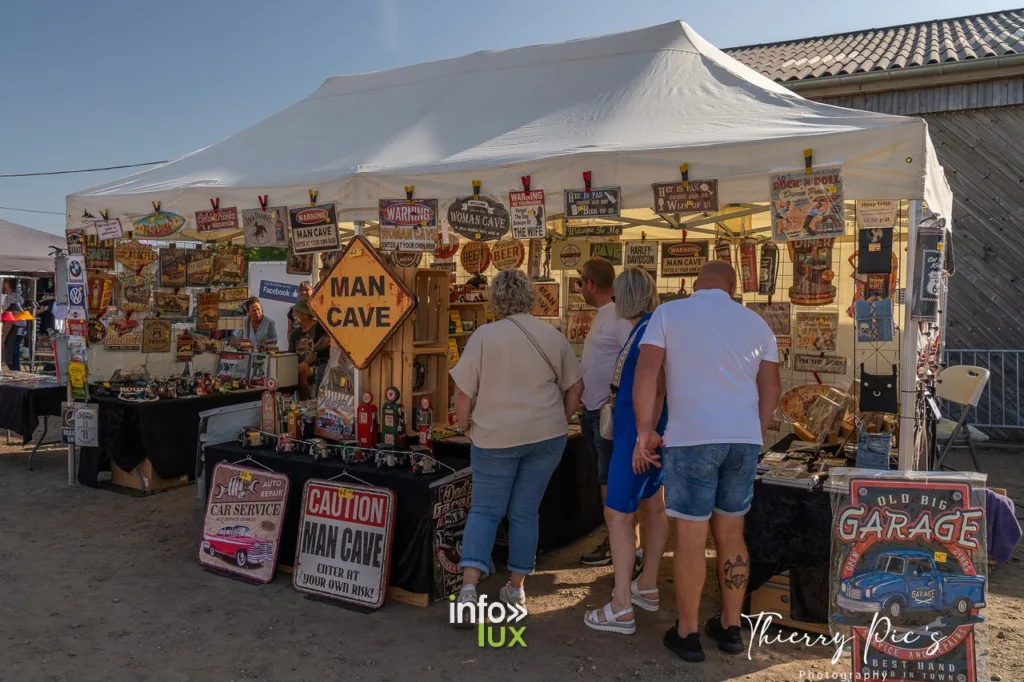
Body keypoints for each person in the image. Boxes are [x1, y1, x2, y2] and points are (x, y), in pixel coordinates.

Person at [634, 260, 782, 663]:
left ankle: (688, 633)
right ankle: (732, 627)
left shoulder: (668, 313)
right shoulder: (757, 324)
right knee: (732, 535)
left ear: (695, 284)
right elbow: (771, 387)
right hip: (742, 439)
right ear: (732, 287)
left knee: (691, 538)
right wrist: (756, 430)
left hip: (691, 438)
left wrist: (645, 428)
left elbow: (646, 374)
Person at [449, 269, 584, 617]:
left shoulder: (484, 336)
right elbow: (575, 387)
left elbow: (462, 394)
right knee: (525, 512)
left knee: (484, 511)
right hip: (547, 436)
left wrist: (465, 427)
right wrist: (562, 419)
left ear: (496, 298)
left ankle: (468, 589)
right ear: (530, 296)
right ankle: (516, 589)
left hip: (495, 436)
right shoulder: (551, 335)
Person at [584, 267, 669, 636]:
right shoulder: (651, 325)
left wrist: (640, 435)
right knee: (652, 505)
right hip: (642, 433)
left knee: (618, 514)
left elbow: (657, 384)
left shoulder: (649, 329)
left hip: (637, 436)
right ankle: (646, 585)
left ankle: (621, 605)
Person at [576, 258, 635, 569]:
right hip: (595, 409)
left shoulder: (617, 317)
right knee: (604, 477)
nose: (580, 289)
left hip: (607, 413)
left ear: (589, 284)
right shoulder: (606, 315)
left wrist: (614, 398)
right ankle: (616, 540)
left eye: (580, 283)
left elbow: (632, 360)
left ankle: (618, 543)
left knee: (608, 479)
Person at [288, 299, 329, 400]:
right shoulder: (294, 334)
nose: (293, 315)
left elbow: (323, 348)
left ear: (305, 314)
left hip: (319, 371)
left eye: (296, 312)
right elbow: (291, 356)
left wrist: (307, 368)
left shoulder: (318, 327)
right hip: (300, 373)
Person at [2, 279, 26, 371]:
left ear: (7, 285)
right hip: (21, 327)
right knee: (15, 351)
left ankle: (15, 372)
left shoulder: (9, 298)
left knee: (11, 354)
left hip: (14, 327)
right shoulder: (19, 297)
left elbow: (9, 319)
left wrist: (4, 335)